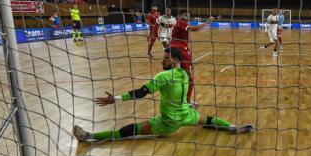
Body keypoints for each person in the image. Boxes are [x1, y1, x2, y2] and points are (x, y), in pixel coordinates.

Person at [73, 48, 256, 142]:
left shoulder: (163, 76)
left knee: (129, 131)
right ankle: (234, 127)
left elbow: (141, 93)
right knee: (208, 120)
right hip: (186, 114)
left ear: (174, 60)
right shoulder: (184, 73)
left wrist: (116, 98)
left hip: (167, 122)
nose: (162, 60)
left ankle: (89, 136)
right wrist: (188, 104)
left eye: (166, 58)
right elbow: (182, 95)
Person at [169, 11, 213, 104]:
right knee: (189, 79)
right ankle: (186, 101)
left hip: (176, 49)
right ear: (179, 16)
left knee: (178, 76)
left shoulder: (179, 23)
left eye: (188, 16)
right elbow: (194, 29)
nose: (187, 17)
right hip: (180, 50)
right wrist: (207, 22)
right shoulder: (181, 23)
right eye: (185, 15)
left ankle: (176, 99)